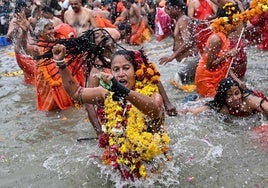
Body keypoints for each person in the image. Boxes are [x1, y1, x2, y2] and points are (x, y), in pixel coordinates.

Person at [51, 44, 171, 180]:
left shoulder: (154, 96)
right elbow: (76, 93)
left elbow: (154, 110)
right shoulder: (107, 94)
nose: (121, 74)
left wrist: (124, 91)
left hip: (152, 167)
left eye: (126, 68)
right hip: (120, 164)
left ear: (135, 71)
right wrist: (61, 64)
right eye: (116, 69)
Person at [194, 2, 244, 98]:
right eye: (237, 19)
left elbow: (225, 66)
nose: (239, 23)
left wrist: (238, 81)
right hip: (206, 80)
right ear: (229, 21)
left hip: (218, 78)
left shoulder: (226, 37)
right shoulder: (216, 39)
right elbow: (210, 66)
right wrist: (228, 54)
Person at [181, 78, 268, 120]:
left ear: (241, 92)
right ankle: (198, 99)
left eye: (237, 93)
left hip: (258, 98)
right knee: (209, 101)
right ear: (224, 99)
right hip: (212, 99)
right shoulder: (222, 106)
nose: (235, 98)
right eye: (229, 95)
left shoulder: (250, 100)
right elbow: (194, 111)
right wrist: (181, 111)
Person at [159, 0, 200, 85]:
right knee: (185, 86)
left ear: (176, 9)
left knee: (177, 85)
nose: (168, 12)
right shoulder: (180, 20)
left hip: (189, 60)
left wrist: (172, 57)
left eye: (169, 9)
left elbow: (188, 42)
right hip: (188, 61)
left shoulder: (183, 20)